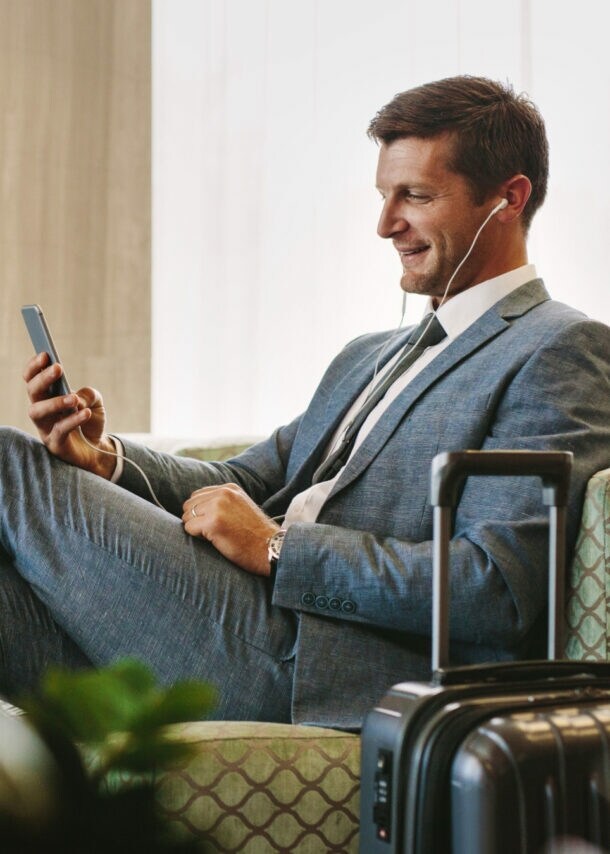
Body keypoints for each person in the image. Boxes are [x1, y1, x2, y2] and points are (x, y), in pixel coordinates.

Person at [1, 76, 609, 730]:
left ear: (508, 198)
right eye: (383, 195)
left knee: (10, 464)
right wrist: (107, 462)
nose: (385, 224)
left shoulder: (558, 350)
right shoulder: (370, 354)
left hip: (321, 666)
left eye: (416, 196)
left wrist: (279, 549)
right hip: (240, 626)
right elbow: (243, 482)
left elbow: (494, 590)